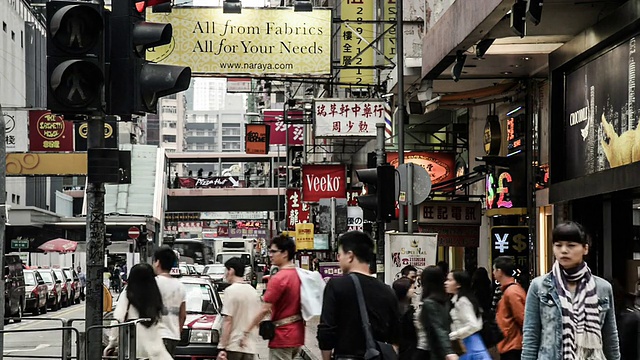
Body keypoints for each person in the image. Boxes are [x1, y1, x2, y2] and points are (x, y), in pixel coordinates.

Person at [522, 221, 620, 360]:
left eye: (571, 245)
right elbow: (531, 336)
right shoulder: (540, 286)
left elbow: (610, 337)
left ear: (585, 249)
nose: (564, 250)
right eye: (558, 245)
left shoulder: (603, 288)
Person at [317, 231, 401, 360]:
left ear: (350, 256)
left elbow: (326, 330)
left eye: (340, 254)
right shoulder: (387, 291)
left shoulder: (336, 285)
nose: (338, 258)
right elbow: (396, 337)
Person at [245, 235, 304, 360]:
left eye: (273, 251)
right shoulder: (300, 275)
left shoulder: (278, 278)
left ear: (285, 253)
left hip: (282, 335)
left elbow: (264, 309)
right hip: (298, 334)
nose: (270, 255)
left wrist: (247, 330)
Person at [104, 263, 173, 360]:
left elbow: (118, 320)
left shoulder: (127, 294)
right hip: (156, 352)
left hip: (133, 351)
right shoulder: (156, 295)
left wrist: (112, 344)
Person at [217, 257, 261, 360]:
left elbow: (228, 321)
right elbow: (257, 319)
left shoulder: (230, 291)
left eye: (226, 270)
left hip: (233, 345)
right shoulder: (253, 292)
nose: (225, 274)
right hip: (249, 346)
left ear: (231, 271)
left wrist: (222, 347)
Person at [445, 270, 492, 360]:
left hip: (469, 342)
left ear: (458, 284)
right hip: (468, 343)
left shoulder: (462, 301)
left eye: (450, 280)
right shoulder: (458, 300)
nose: (446, 283)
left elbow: (474, 325)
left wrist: (454, 334)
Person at [153, 245, 187, 357]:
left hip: (157, 335)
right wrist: (178, 331)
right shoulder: (180, 285)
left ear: (157, 262)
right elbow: (183, 314)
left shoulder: (154, 283)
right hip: (173, 335)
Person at [419, 266, 458, 360]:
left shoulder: (429, 303)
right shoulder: (446, 300)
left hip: (434, 351)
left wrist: (448, 351)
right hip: (448, 347)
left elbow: (438, 328)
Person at [492, 256, 526, 360]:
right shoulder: (509, 290)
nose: (493, 273)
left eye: (494, 269)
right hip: (508, 343)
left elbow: (522, 319)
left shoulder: (512, 292)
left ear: (500, 271)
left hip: (512, 345)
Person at [393, 277, 417, 360]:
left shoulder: (408, 308)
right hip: (406, 348)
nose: (414, 290)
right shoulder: (402, 311)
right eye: (412, 288)